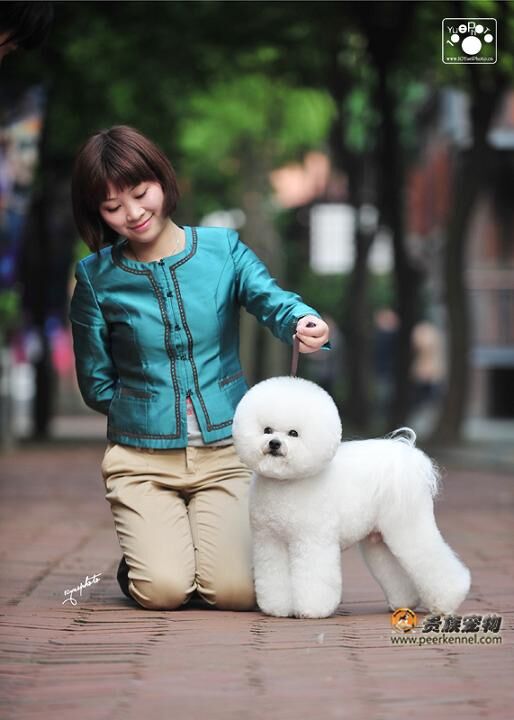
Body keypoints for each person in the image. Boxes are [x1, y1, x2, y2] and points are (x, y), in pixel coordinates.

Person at [69, 126, 330, 611]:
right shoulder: (95, 277)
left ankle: (180, 545)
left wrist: (300, 319)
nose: (133, 213)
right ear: (97, 213)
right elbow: (95, 380)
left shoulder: (222, 249)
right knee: (162, 591)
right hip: (141, 460)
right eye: (112, 206)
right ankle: (150, 557)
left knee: (237, 592)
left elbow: (270, 299)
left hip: (226, 453)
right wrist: (143, 413)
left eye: (140, 193)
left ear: (162, 180)